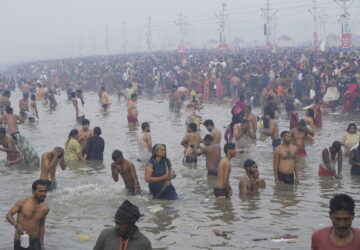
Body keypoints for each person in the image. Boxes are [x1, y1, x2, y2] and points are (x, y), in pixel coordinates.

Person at [6, 180, 50, 250]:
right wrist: (16, 225)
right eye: (40, 191)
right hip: (21, 240)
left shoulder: (45, 208)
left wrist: (42, 244)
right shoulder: (23, 202)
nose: (43, 194)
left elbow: (42, 225)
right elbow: (9, 215)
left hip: (35, 241)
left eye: (45, 191)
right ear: (33, 191)